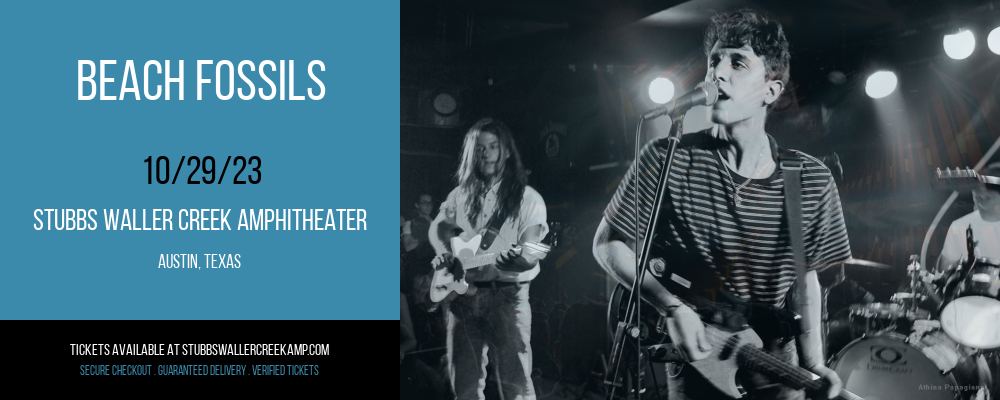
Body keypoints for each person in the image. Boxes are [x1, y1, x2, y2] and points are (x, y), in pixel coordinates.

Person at [592, 9, 851, 400]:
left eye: (738, 62)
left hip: (774, 357)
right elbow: (608, 244)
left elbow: (806, 281)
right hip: (699, 355)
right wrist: (670, 307)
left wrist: (813, 364)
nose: (717, 73)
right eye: (714, 60)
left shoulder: (810, 179)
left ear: (771, 91)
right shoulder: (668, 158)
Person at [429, 118, 549, 400]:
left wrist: (522, 261)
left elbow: (531, 252)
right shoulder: (459, 195)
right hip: (463, 300)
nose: (487, 154)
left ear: (506, 151)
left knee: (515, 386)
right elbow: (437, 228)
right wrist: (443, 252)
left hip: (507, 297)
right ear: (471, 154)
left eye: (493, 146)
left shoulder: (528, 198)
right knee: (465, 387)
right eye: (479, 148)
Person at [937, 162, 1000, 272]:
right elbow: (944, 271)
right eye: (977, 197)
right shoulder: (960, 226)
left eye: (988, 198)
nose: (982, 204)